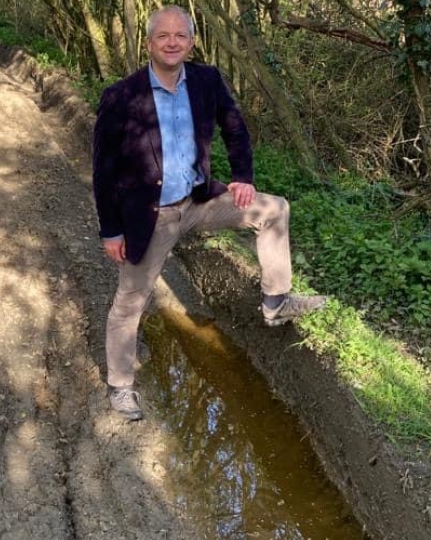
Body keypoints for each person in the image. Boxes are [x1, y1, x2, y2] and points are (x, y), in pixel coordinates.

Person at [92, 6, 325, 420]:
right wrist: (111, 231)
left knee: (274, 209)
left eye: (180, 35)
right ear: (149, 43)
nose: (172, 42)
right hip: (152, 214)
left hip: (199, 200)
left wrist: (243, 176)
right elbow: (103, 168)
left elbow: (235, 126)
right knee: (130, 302)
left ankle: (276, 302)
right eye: (163, 36)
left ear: (191, 41)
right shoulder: (121, 96)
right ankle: (120, 386)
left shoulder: (206, 80)